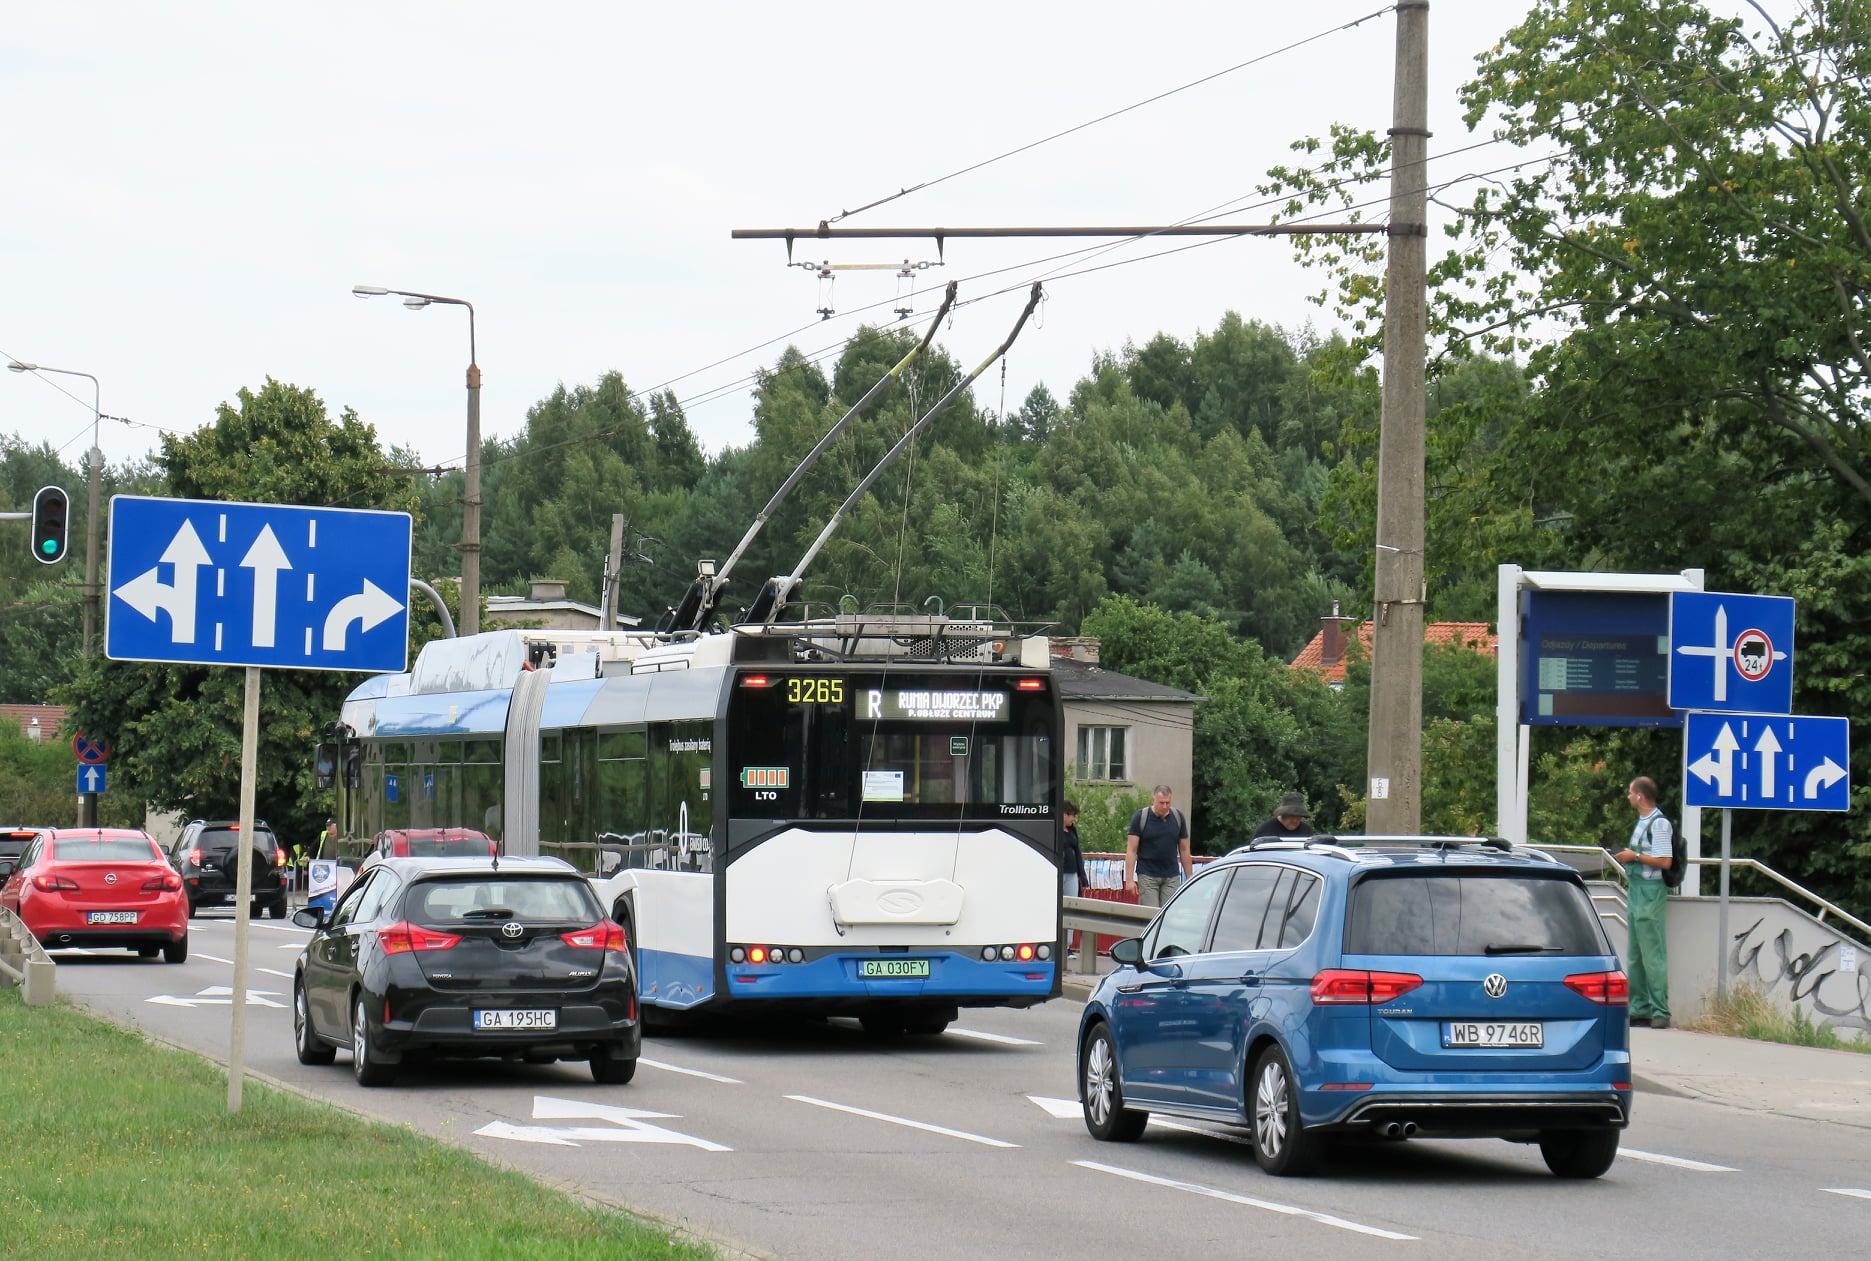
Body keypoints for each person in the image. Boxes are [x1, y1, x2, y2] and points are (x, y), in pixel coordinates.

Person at [1614, 776, 1672, 1028]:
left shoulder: (1659, 824)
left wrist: (1634, 856)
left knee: (1652, 953)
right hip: (1636, 889)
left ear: (1640, 796)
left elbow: (1664, 861)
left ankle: (1661, 1010)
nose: (1628, 797)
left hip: (1651, 890)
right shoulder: (1642, 822)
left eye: (1630, 792)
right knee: (1636, 953)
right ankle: (1639, 1008)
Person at [1124, 785, 1192, 907]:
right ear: (1153, 800)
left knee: (1170, 913)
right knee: (1150, 915)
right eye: (1161, 803)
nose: (1165, 806)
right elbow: (1131, 850)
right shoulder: (1141, 817)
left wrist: (1190, 878)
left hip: (1171, 875)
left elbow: (1184, 850)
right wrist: (1129, 880)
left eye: (1168, 803)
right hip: (1147, 874)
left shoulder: (1178, 817)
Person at [1061, 800, 1088, 953]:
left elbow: (1077, 852)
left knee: (1071, 908)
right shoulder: (1054, 830)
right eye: (1072, 816)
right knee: (1059, 909)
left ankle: (1068, 945)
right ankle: (1059, 943)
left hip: (1072, 873)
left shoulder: (1072, 831)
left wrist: (1082, 874)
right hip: (1059, 873)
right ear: (1064, 815)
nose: (1073, 819)